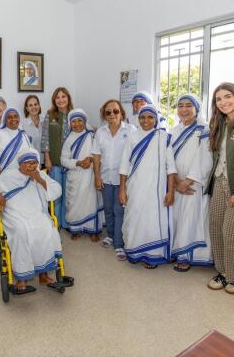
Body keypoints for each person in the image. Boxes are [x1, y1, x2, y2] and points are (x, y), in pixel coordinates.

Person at [0, 148, 63, 294]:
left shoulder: (40, 175)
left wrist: (40, 180)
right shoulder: (9, 175)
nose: (32, 166)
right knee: (21, 231)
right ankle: (22, 278)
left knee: (46, 228)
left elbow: (57, 190)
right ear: (20, 164)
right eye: (28, 163)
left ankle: (43, 275)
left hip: (35, 213)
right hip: (14, 214)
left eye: (34, 163)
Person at [119, 104, 176, 269]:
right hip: (135, 187)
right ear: (138, 119)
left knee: (152, 221)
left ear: (156, 119)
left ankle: (153, 255)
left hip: (156, 190)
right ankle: (135, 252)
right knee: (134, 218)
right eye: (142, 117)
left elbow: (171, 168)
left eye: (150, 117)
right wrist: (122, 189)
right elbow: (124, 165)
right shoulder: (132, 137)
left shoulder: (163, 137)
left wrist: (171, 191)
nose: (146, 120)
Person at [171, 94, 213, 272]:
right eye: (180, 106)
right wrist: (176, 182)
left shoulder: (205, 130)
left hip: (193, 184)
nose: (184, 109)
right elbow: (168, 158)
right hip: (176, 183)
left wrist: (187, 181)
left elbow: (205, 159)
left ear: (197, 109)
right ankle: (176, 250)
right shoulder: (173, 131)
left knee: (190, 218)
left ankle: (186, 256)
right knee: (176, 217)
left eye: (189, 105)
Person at [92, 100, 136, 261]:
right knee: (108, 209)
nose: (112, 115)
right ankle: (110, 235)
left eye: (115, 111)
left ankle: (119, 243)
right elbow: (96, 156)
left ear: (122, 113)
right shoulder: (100, 132)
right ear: (104, 116)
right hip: (106, 178)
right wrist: (97, 176)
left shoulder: (131, 130)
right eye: (108, 112)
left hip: (123, 179)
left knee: (119, 210)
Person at [206, 82, 234, 294]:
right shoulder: (220, 124)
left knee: (230, 232)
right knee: (215, 226)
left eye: (228, 96)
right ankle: (223, 272)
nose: (223, 102)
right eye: (218, 99)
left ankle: (233, 276)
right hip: (219, 180)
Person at [61, 109, 103, 241]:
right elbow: (63, 159)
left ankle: (93, 230)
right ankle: (76, 228)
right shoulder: (68, 139)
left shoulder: (92, 136)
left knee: (91, 202)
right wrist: (78, 163)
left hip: (90, 175)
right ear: (70, 123)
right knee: (73, 204)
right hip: (74, 176)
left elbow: (98, 152)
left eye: (80, 120)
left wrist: (89, 159)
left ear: (85, 122)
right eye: (74, 121)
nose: (77, 124)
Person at [41, 87, 74, 229]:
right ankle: (57, 222)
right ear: (54, 100)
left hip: (71, 162)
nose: (61, 100)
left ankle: (68, 222)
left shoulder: (74, 115)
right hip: (54, 161)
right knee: (56, 193)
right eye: (57, 97)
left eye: (63, 96)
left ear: (68, 98)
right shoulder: (50, 115)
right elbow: (45, 138)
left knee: (69, 193)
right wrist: (47, 158)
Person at [0, 107, 31, 179]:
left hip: (21, 178)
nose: (13, 119)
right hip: (2, 178)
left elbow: (31, 153)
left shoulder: (24, 135)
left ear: (19, 118)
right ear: (5, 120)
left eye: (16, 116)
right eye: (9, 117)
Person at [22, 95, 44, 165]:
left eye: (35, 104)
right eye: (30, 105)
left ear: (39, 106)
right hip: (31, 163)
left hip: (46, 162)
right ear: (27, 108)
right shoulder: (22, 125)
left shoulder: (45, 121)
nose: (34, 107)